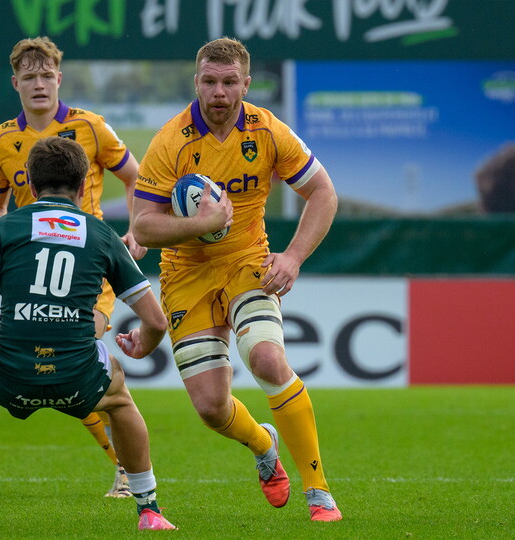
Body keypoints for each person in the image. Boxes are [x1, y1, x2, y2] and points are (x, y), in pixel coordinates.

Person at [131, 37, 342, 522]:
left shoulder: (267, 130)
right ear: (197, 82)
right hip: (185, 274)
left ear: (246, 84)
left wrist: (292, 256)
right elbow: (143, 225)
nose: (219, 92)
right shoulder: (171, 141)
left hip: (249, 260)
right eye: (210, 81)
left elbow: (323, 193)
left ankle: (318, 490)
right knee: (210, 407)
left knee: (267, 360)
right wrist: (199, 225)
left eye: (230, 83)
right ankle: (262, 442)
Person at [0, 136, 175, 531]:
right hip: (78, 378)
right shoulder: (102, 235)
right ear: (86, 182)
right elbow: (157, 321)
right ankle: (150, 510)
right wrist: (145, 345)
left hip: (10, 375)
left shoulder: (4, 228)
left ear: (31, 186)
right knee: (120, 398)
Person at [0, 36, 147, 497]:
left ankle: (125, 470)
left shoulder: (90, 127)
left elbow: (135, 178)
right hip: (30, 269)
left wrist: (135, 230)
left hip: (91, 267)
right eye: (29, 77)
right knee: (59, 369)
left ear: (59, 78)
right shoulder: (2, 140)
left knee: (73, 351)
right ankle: (124, 464)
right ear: (15, 83)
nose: (39, 84)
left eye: (46, 75)